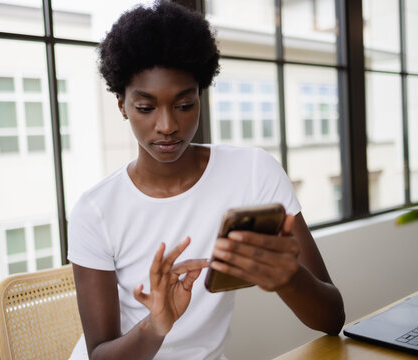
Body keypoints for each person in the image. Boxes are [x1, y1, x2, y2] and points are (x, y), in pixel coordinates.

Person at [68, 2, 345, 359]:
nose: (167, 125)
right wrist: (156, 324)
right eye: (146, 108)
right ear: (122, 105)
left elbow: (332, 319)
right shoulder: (96, 211)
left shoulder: (252, 172)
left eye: (184, 105)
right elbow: (100, 355)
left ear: (200, 96)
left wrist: (289, 278)